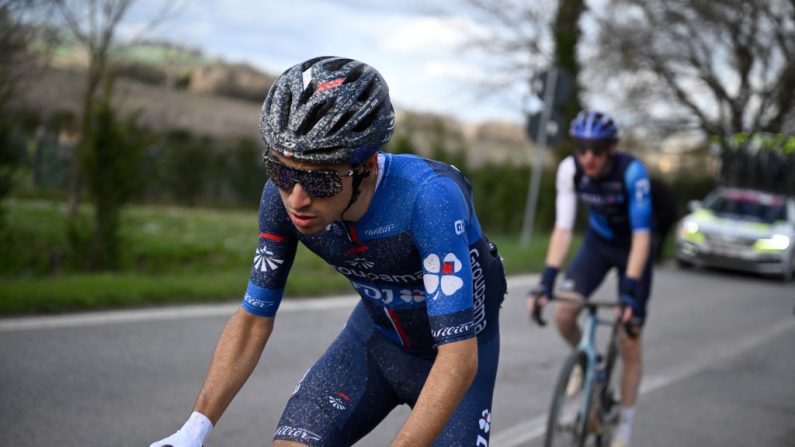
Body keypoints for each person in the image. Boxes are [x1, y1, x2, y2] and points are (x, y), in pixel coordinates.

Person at [150, 56, 506, 447]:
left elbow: (457, 357)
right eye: (282, 171)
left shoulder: (429, 199)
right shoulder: (280, 200)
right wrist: (194, 430)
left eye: (319, 181)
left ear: (366, 165)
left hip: (456, 360)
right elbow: (253, 318)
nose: (296, 198)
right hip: (374, 343)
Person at [527, 110, 653, 447]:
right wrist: (547, 280)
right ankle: (588, 363)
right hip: (598, 246)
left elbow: (643, 236)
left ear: (611, 148)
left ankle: (623, 426)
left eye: (597, 149)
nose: (588, 157)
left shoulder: (632, 172)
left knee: (630, 338)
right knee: (565, 314)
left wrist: (628, 291)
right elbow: (564, 228)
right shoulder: (570, 170)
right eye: (582, 148)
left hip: (634, 249)